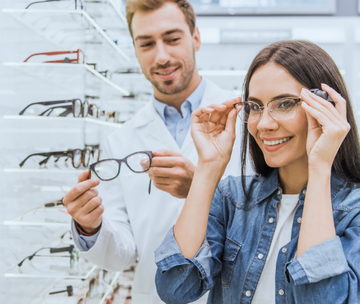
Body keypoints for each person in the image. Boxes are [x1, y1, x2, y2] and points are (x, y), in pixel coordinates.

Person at [62, 0, 243, 303]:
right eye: (146, 44)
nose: (161, 56)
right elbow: (123, 253)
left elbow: (268, 219)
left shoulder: (244, 118)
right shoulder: (120, 141)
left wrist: (199, 186)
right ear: (135, 49)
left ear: (195, 37)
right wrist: (90, 227)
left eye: (172, 39)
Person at [155, 40, 360, 304]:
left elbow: (322, 299)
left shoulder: (353, 209)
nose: (263, 124)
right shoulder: (231, 198)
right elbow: (175, 288)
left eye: (284, 104)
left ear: (325, 107)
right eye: (254, 107)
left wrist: (320, 167)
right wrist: (209, 166)